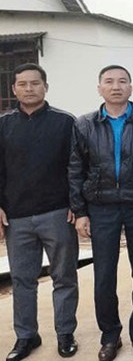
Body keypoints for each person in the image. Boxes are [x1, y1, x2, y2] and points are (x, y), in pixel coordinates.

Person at [69, 65, 133, 361]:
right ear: (99, 88)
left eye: (122, 81)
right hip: (101, 207)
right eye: (109, 82)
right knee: (104, 277)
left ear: (131, 87)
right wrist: (80, 211)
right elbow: (75, 169)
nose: (116, 87)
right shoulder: (85, 124)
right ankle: (110, 337)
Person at [0, 64, 79, 360]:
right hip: (16, 217)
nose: (29, 88)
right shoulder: (3, 125)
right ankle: (26, 336)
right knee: (22, 280)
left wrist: (76, 204)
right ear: (14, 89)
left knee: (64, 276)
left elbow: (77, 168)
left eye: (35, 83)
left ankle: (65, 333)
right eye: (23, 84)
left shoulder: (65, 122)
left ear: (46, 86)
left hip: (58, 213)